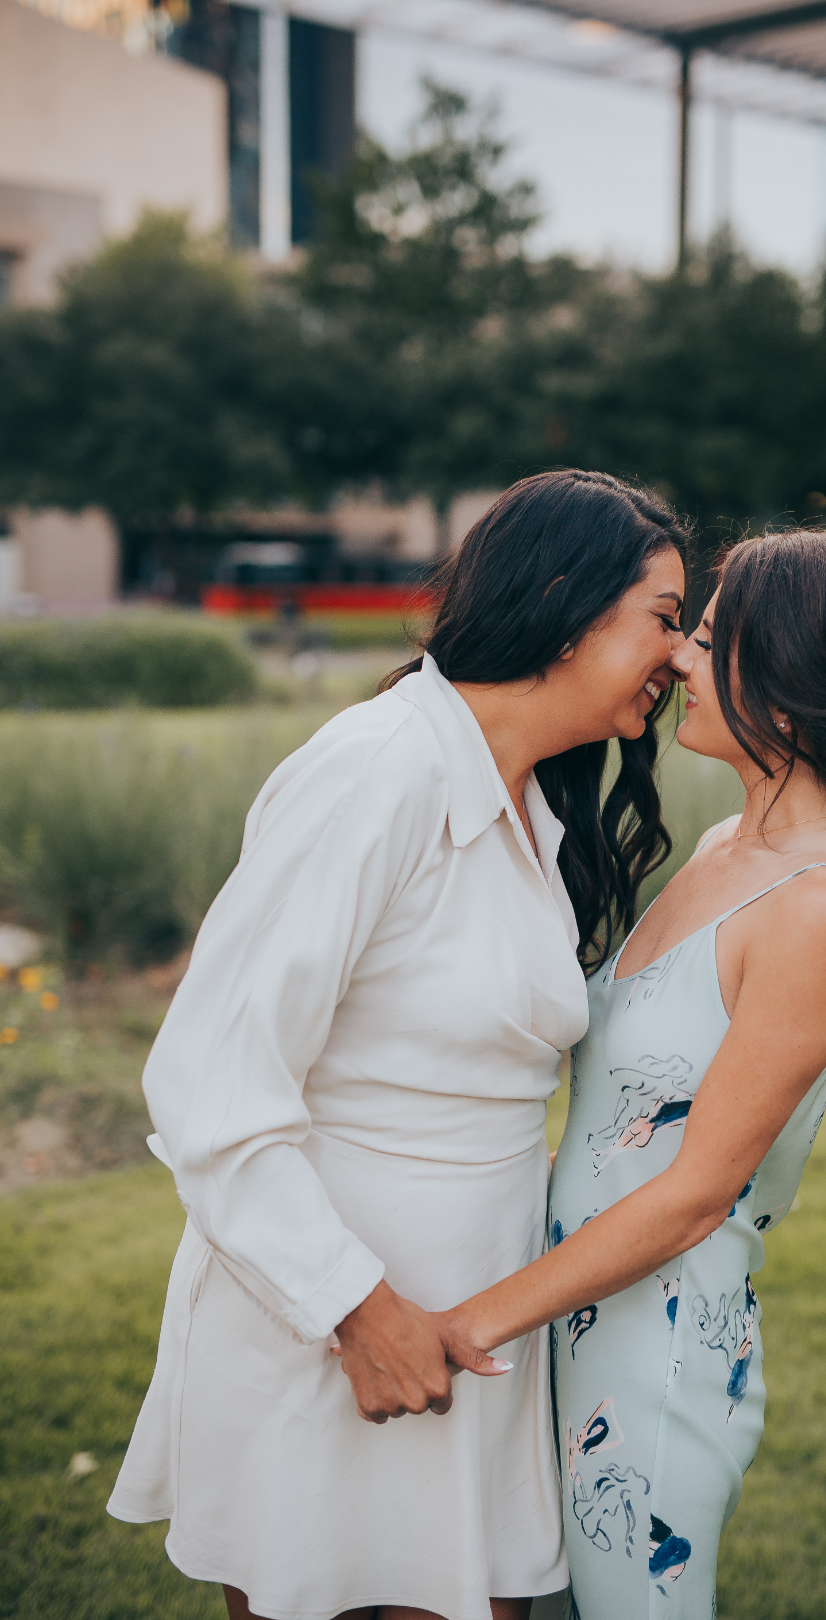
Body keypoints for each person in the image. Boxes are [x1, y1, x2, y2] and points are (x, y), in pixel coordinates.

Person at [107, 470, 689, 1620]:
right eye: (665, 620)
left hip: (475, 1320)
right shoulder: (376, 771)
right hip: (328, 1319)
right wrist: (354, 1310)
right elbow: (211, 1079)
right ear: (569, 608)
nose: (677, 657)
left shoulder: (533, 806)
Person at [438, 528, 826, 1618]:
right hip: (571, 1309)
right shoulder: (730, 844)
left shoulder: (822, 906)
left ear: (788, 692)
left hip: (657, 1355)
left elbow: (692, 1196)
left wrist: (467, 1325)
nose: (679, 659)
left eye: (711, 639)